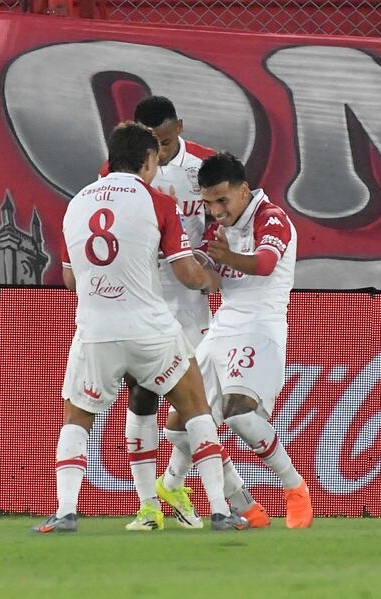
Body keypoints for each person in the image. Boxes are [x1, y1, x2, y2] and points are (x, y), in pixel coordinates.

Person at [33, 121, 248, 533]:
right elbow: (185, 272)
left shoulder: (75, 204)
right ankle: (220, 509)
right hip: (150, 329)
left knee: (77, 418)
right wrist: (211, 280)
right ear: (148, 161)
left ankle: (64, 512)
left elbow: (71, 280)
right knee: (195, 408)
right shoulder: (156, 202)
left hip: (96, 331)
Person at [109, 96, 269, 531]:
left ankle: (190, 489)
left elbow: (223, 222)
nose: (158, 153)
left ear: (179, 127)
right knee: (142, 398)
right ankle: (156, 504)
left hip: (189, 302)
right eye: (151, 145)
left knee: (200, 404)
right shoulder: (117, 176)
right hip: (140, 299)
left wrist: (211, 266)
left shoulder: (202, 171)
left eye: (165, 141)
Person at [162, 151, 313, 529]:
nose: (215, 211)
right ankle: (243, 503)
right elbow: (210, 275)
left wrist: (226, 255)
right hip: (224, 324)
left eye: (222, 200)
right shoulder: (219, 228)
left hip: (262, 324)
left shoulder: (271, 217)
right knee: (179, 427)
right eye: (209, 202)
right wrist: (185, 261)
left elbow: (264, 264)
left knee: (240, 412)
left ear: (244, 190)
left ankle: (294, 488)